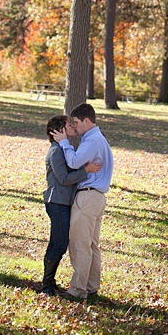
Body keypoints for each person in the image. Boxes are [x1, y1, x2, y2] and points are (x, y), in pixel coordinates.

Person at [49, 102, 114, 301]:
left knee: (80, 245)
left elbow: (74, 162)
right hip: (97, 197)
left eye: (76, 122)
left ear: (87, 121)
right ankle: (91, 286)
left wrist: (64, 143)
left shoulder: (92, 141)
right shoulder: (99, 139)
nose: (74, 126)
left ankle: (78, 290)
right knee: (92, 245)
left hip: (87, 196)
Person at [40, 114, 102, 296]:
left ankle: (49, 283)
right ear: (60, 130)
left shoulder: (63, 149)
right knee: (59, 244)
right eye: (69, 125)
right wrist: (86, 170)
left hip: (64, 202)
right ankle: (47, 285)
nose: (73, 127)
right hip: (57, 202)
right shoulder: (56, 151)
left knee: (56, 243)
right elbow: (64, 179)